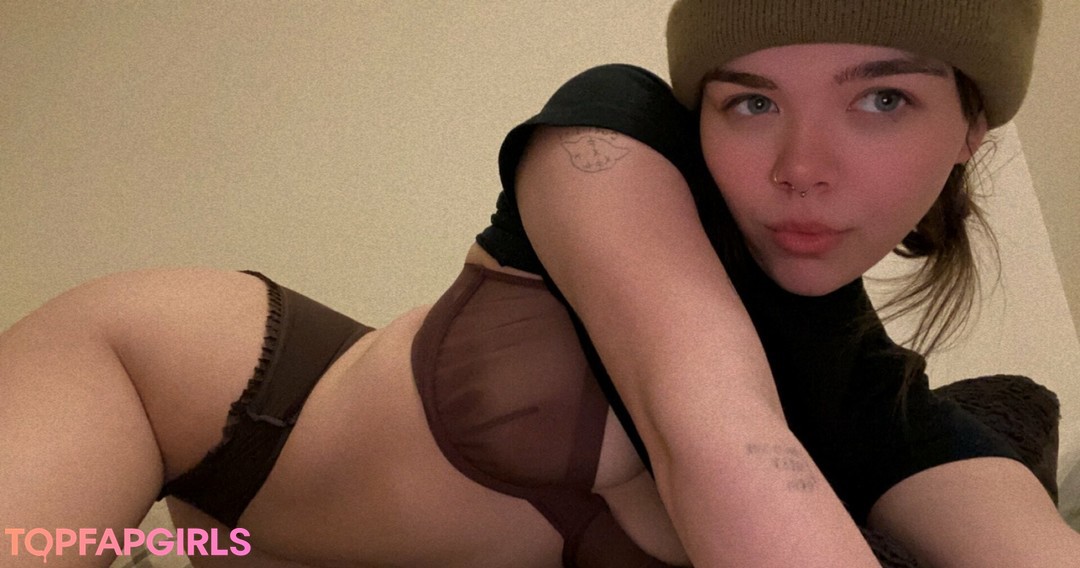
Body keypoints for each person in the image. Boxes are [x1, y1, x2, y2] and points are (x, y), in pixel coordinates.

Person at [1, 0, 1076, 566]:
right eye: (750, 101)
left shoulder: (884, 407)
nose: (802, 164)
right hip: (191, 405)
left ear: (971, 126)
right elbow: (718, 440)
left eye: (882, 100)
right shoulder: (615, 138)